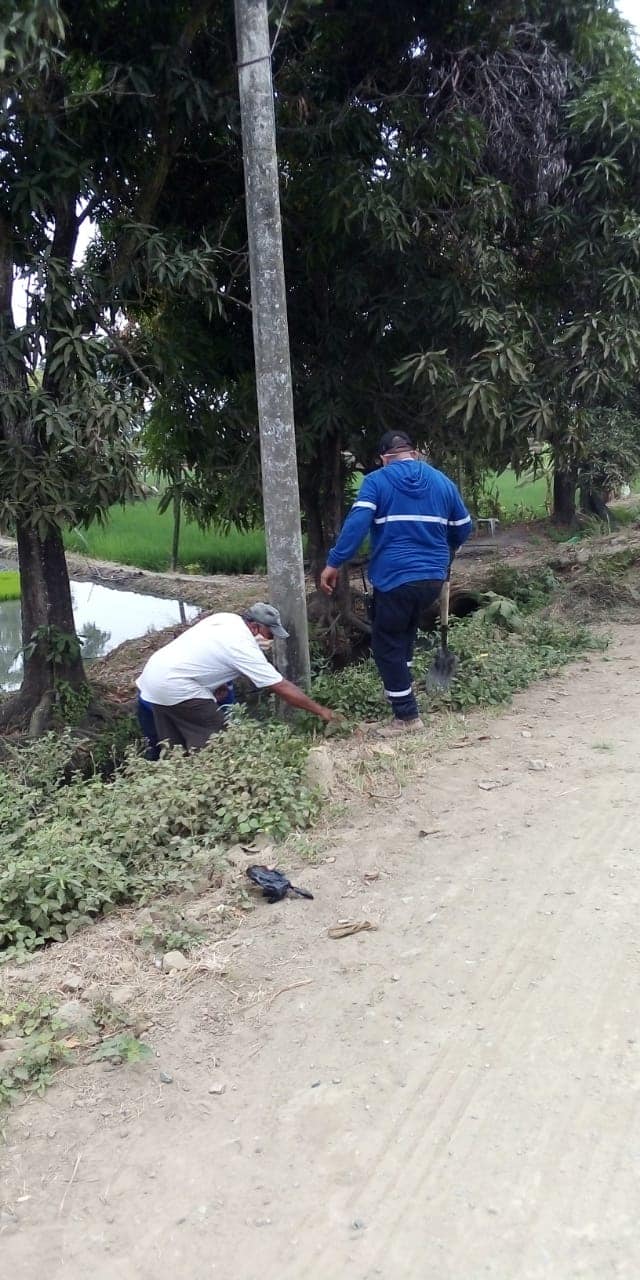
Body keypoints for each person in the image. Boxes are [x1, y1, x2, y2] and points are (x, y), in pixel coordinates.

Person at [320, 432, 472, 734]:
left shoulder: (377, 481)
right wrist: (446, 551)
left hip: (395, 577)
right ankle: (400, 690)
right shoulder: (442, 481)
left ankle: (406, 716)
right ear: (413, 454)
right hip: (431, 578)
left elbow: (357, 525)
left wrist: (334, 562)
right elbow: (463, 527)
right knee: (405, 633)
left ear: (383, 459)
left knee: (386, 644)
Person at [136, 601, 338, 751]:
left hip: (153, 678)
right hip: (176, 685)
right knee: (217, 742)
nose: (271, 639)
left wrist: (216, 684)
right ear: (255, 627)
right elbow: (281, 687)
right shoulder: (243, 646)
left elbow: (206, 652)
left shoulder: (226, 618)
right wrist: (322, 711)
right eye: (270, 634)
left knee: (174, 749)